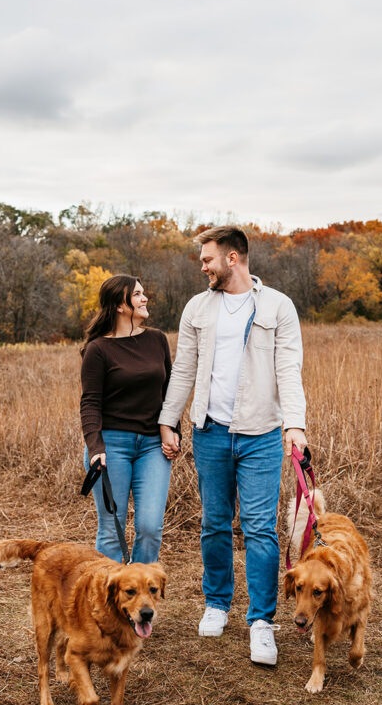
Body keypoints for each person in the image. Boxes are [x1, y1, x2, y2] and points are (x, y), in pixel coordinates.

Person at [159, 225, 307, 666]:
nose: (202, 266)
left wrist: (294, 426)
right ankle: (217, 603)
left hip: (261, 433)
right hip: (209, 432)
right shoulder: (197, 308)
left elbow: (289, 369)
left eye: (207, 258)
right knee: (214, 522)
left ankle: (261, 622)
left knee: (260, 529)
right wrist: (168, 421)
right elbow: (183, 369)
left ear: (232, 258)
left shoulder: (278, 306)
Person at [80, 274, 173, 564]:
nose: (144, 299)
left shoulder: (157, 340)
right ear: (120, 305)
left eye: (143, 293)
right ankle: (107, 601)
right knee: (111, 529)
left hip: (152, 446)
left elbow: (169, 391)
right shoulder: (98, 349)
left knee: (150, 527)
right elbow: (90, 402)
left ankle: (141, 599)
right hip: (111, 447)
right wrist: (96, 448)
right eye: (137, 294)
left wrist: (172, 429)